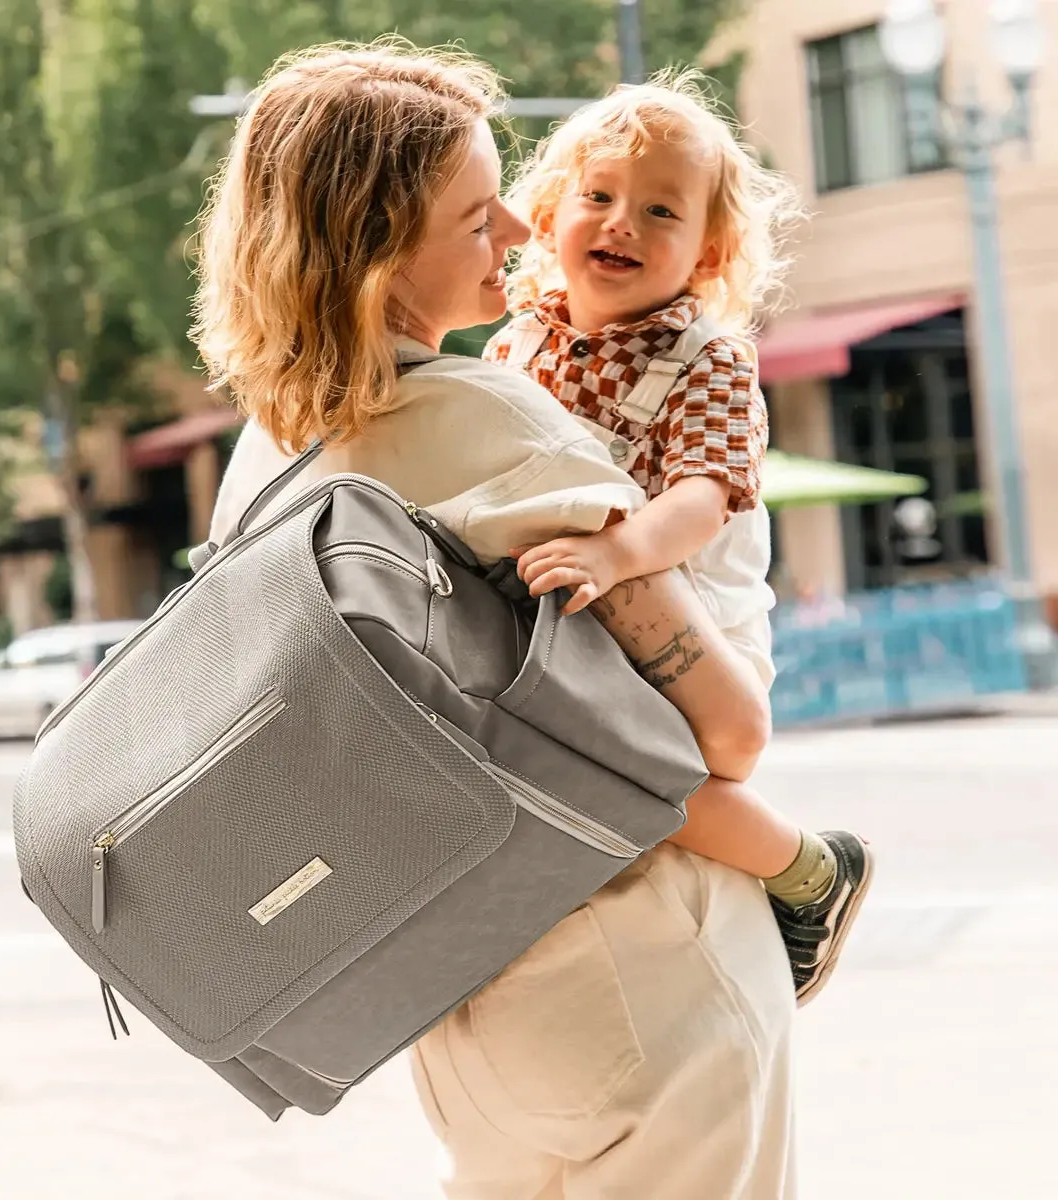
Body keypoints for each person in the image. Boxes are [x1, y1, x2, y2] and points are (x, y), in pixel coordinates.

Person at [196, 40, 796, 1198]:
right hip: (645, 967)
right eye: (479, 218)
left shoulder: (264, 458)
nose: (522, 237)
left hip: (462, 988)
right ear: (381, 249)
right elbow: (730, 733)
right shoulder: (491, 421)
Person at [483, 73, 873, 1003]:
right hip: (585, 613)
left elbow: (705, 496)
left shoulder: (708, 357)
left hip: (699, 619)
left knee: (649, 768)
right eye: (599, 196)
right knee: (562, 758)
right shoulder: (515, 345)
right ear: (546, 212)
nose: (622, 223)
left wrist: (618, 551)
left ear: (709, 249)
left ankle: (810, 870)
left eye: (661, 210)